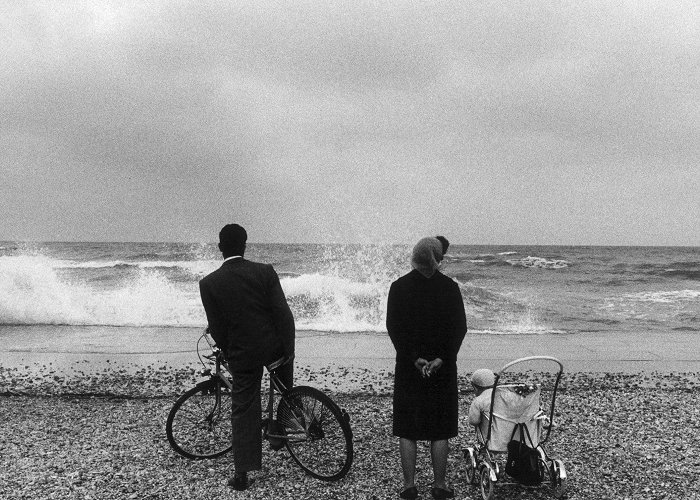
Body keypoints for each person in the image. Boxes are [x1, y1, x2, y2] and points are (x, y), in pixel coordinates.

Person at [199, 224, 295, 491]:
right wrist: (289, 349)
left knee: (243, 408)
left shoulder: (209, 283)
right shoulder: (264, 272)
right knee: (286, 388)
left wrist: (230, 352)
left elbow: (217, 328)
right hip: (273, 346)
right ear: (245, 245)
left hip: (243, 353)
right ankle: (282, 428)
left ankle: (242, 474)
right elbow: (282, 314)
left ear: (220, 247)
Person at [386, 236, 467, 500]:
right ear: (436, 257)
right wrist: (442, 358)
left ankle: (410, 487)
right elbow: (459, 328)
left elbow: (394, 327)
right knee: (440, 428)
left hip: (410, 367)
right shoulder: (450, 288)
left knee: (407, 427)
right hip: (442, 368)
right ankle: (439, 485)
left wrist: (413, 358)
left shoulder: (398, 288)